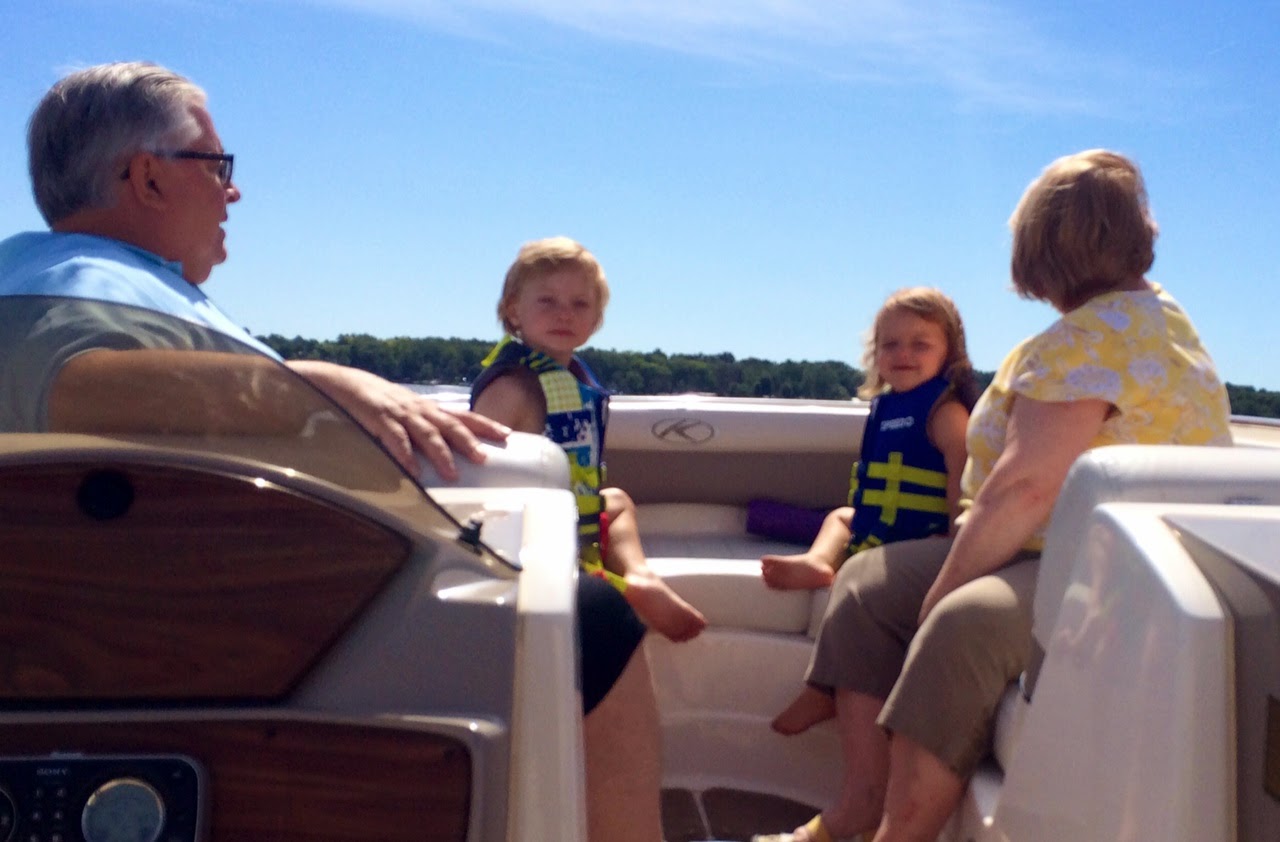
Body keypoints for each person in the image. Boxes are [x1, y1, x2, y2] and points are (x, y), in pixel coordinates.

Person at [0, 62, 663, 842]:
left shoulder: (69, 279)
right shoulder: (70, 295)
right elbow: (63, 389)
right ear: (147, 178)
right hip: (213, 642)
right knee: (592, 622)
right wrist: (321, 384)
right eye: (216, 166)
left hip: (155, 614)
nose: (233, 192)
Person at [752, 149, 1232, 842]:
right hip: (1069, 551)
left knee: (959, 622)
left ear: (1042, 250)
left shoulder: (1089, 342)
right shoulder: (1161, 320)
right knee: (864, 584)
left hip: (1096, 568)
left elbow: (1025, 489)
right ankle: (858, 802)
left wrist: (941, 592)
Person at [471, 236, 708, 643]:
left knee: (617, 500)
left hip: (573, 519)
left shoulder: (573, 380)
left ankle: (638, 574)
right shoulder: (512, 389)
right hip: (533, 536)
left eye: (580, 304)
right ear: (513, 310)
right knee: (609, 509)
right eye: (547, 301)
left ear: (596, 319)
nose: (564, 313)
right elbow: (477, 478)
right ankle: (625, 578)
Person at [763, 287, 976, 737]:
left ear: (949, 354)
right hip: (876, 530)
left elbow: (962, 474)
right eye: (890, 344)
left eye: (920, 344)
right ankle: (818, 562)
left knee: (857, 581)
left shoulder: (944, 411)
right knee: (840, 516)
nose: (903, 354)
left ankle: (823, 689)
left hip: (920, 538)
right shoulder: (884, 408)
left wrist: (952, 536)